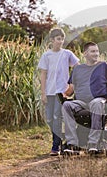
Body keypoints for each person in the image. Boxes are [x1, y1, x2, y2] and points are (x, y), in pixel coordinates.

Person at [62, 41, 107, 155]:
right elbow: (71, 89)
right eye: (93, 51)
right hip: (81, 102)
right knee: (67, 105)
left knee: (96, 103)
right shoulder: (77, 69)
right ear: (85, 54)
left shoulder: (103, 66)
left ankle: (93, 143)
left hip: (99, 100)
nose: (96, 54)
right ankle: (72, 143)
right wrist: (63, 95)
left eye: (97, 51)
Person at [38, 27, 79, 156]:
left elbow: (78, 67)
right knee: (49, 118)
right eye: (58, 39)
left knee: (57, 117)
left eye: (62, 39)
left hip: (62, 91)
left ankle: (55, 147)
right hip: (49, 91)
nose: (60, 41)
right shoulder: (47, 55)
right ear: (52, 40)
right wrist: (43, 93)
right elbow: (43, 75)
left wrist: (72, 83)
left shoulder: (67, 54)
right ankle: (60, 138)